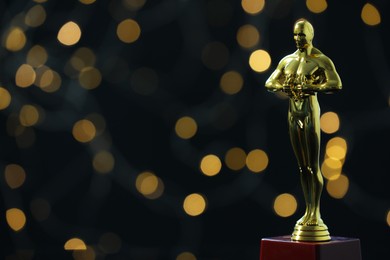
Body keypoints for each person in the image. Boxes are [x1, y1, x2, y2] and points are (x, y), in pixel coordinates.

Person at [265, 18, 342, 241]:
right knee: (302, 166)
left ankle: (315, 212)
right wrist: (284, 86)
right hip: (293, 113)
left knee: (312, 165)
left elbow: (335, 84)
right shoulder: (288, 60)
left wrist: (310, 86)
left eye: (302, 35)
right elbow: (269, 83)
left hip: (309, 112)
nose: (299, 39)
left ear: (310, 35)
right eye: (296, 36)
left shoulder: (319, 59)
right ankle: (307, 210)